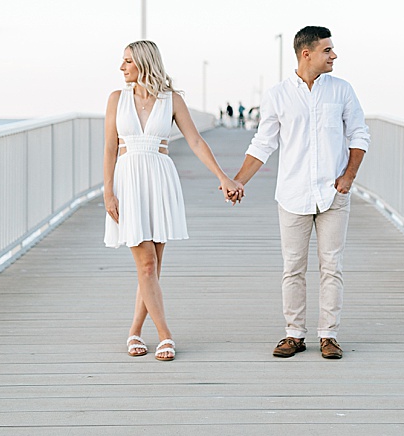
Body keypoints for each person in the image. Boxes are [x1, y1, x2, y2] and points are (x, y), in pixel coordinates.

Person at [233, 26, 369, 360]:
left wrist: (348, 177)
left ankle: (329, 335)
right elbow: (263, 143)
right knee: (293, 266)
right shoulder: (278, 95)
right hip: (293, 193)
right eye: (327, 50)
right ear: (306, 54)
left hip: (333, 193)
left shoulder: (342, 91)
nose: (334, 55)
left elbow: (359, 134)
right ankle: (294, 334)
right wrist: (238, 181)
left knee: (331, 265)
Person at [104, 40, 243, 361]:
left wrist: (223, 177)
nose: (122, 67)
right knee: (147, 264)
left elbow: (195, 140)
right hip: (128, 180)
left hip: (160, 178)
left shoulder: (171, 99)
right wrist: (108, 191)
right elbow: (110, 147)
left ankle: (135, 331)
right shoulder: (116, 99)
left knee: (151, 267)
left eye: (127, 61)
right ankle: (165, 334)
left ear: (143, 63)